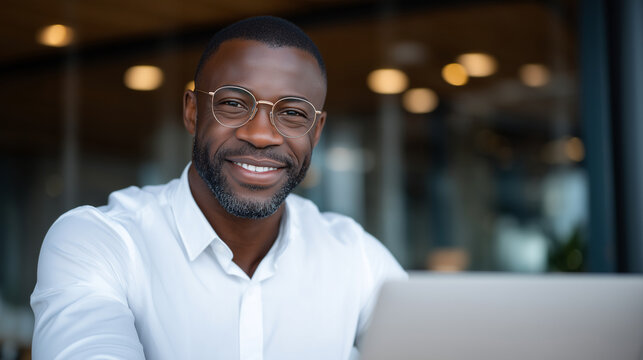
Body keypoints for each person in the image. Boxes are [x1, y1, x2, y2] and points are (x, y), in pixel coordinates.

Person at [30, 16, 405, 360]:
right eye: (232, 104)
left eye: (292, 113)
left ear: (317, 131)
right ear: (193, 112)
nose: (260, 135)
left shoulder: (354, 257)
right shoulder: (101, 242)